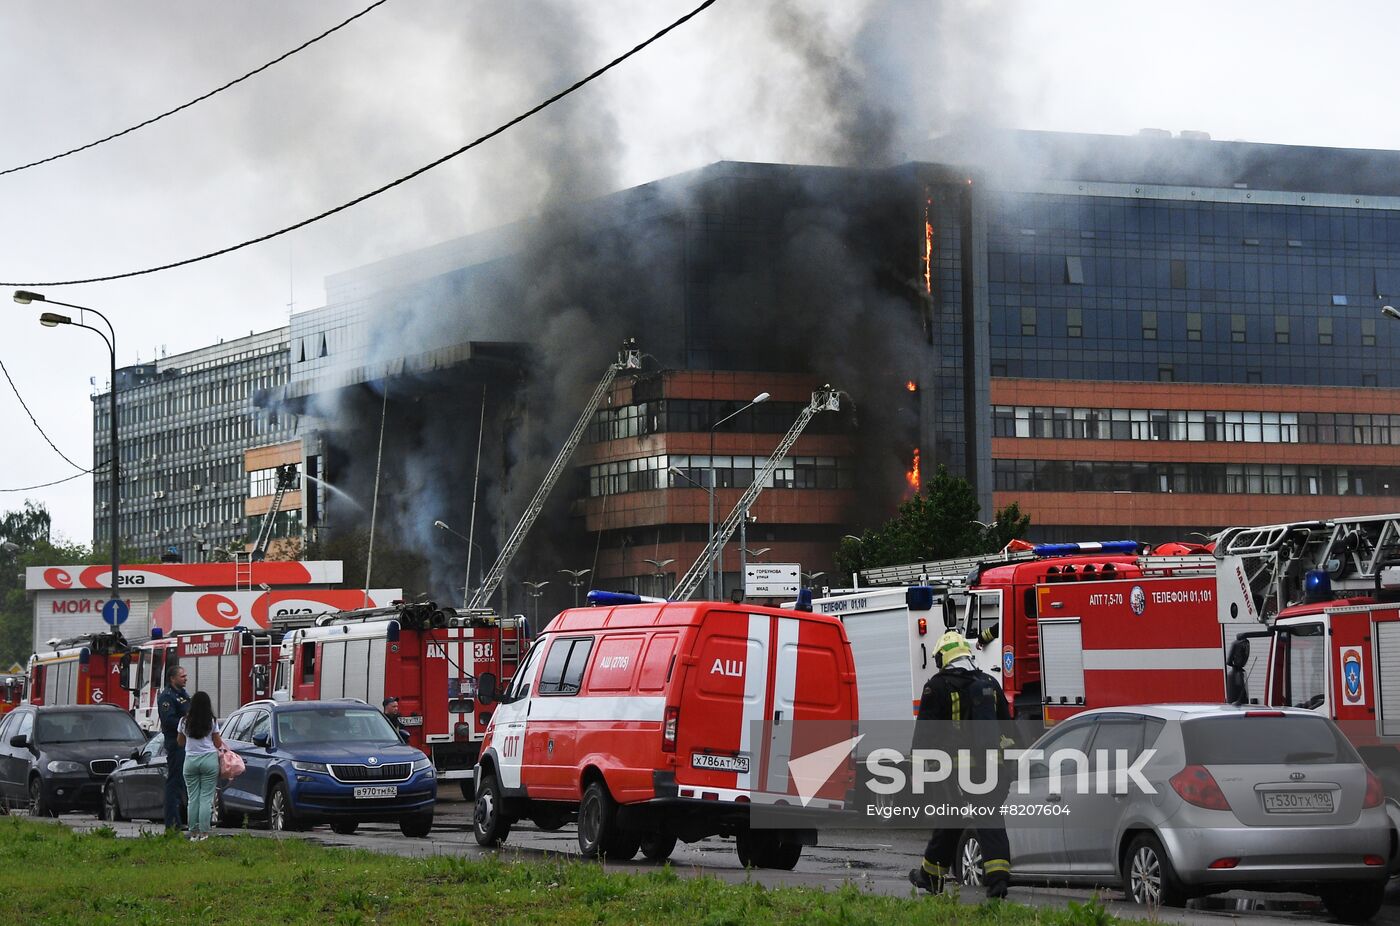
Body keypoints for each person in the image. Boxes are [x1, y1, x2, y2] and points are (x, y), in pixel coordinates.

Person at [908, 630, 1016, 899]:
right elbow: (1009, 730)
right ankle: (998, 879)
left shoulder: (937, 687)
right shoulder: (990, 684)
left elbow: (925, 735)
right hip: (992, 769)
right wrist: (1010, 769)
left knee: (948, 819)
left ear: (944, 657)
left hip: (954, 771)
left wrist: (918, 771)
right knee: (991, 819)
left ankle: (931, 876)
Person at [177, 691, 224, 841]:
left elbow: (180, 742)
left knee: (193, 798)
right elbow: (217, 743)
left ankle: (194, 833)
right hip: (209, 760)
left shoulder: (184, 721)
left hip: (190, 761)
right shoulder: (211, 721)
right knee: (206, 798)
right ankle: (204, 833)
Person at [158, 663, 190, 833]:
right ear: (172, 678)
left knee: (182, 783)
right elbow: (168, 720)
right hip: (176, 743)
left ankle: (181, 819)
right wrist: (186, 722)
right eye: (182, 676)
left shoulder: (182, 694)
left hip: (187, 742)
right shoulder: (167, 697)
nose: (186, 678)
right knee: (175, 781)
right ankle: (171, 822)